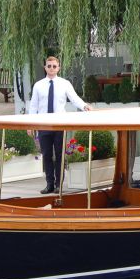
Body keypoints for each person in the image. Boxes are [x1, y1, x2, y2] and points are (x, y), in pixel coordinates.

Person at [28, 56, 91, 194]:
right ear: (45, 68)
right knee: (47, 155)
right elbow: (33, 106)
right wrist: (30, 124)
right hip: (43, 125)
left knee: (60, 155)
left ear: (59, 68)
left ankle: (58, 185)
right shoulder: (38, 85)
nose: (51, 68)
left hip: (59, 125)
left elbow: (74, 98)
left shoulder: (65, 83)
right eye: (49, 66)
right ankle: (49, 184)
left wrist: (84, 106)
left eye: (54, 66)